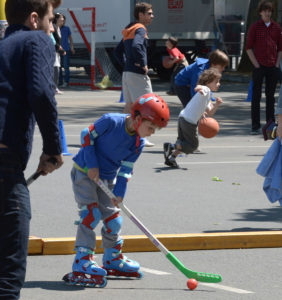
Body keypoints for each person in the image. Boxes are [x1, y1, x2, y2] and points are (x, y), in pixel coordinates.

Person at [62, 93, 169, 287]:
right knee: (91, 215)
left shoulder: (138, 144)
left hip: (107, 180)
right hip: (84, 173)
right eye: (150, 127)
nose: (152, 132)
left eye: (155, 129)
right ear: (137, 118)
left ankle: (112, 258)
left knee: (114, 219)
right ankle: (82, 260)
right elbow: (86, 135)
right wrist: (92, 164)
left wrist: (119, 193)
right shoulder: (111, 121)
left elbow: (126, 171)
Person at [0, 0, 64, 299]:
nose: (53, 29)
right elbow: (41, 92)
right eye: (51, 21)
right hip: (4, 164)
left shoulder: (4, 48)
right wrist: (52, 148)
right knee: (8, 276)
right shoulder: (36, 38)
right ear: (35, 18)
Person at [163, 68, 222, 168]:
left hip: (183, 117)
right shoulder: (206, 90)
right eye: (216, 82)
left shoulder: (207, 96)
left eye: (219, 81)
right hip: (189, 122)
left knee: (183, 142)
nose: (218, 84)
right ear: (208, 82)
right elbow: (201, 87)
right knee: (193, 146)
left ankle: (171, 158)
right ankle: (171, 146)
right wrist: (199, 88)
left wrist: (217, 105)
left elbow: (210, 113)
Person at [114, 2, 155, 146]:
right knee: (147, 105)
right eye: (149, 13)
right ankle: (141, 136)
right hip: (137, 74)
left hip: (128, 73)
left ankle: (121, 134)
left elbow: (117, 52)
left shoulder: (129, 29)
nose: (152, 16)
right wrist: (142, 63)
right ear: (141, 15)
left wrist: (126, 65)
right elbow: (137, 46)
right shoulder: (140, 29)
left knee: (130, 106)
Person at [246, 0, 282, 135]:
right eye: (265, 10)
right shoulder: (255, 27)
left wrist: (277, 64)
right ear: (260, 12)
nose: (267, 13)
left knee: (270, 96)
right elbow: (248, 48)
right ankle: (255, 125)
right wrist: (256, 64)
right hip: (259, 65)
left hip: (273, 65)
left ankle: (270, 124)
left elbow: (280, 49)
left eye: (269, 11)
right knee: (256, 96)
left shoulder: (277, 27)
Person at [59, 14, 75, 87]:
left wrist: (72, 47)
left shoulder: (67, 28)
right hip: (58, 50)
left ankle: (66, 82)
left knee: (66, 66)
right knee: (59, 67)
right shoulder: (56, 28)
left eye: (63, 20)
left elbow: (70, 39)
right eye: (61, 20)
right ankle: (59, 82)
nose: (62, 21)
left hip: (66, 49)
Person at [52, 12, 65, 94]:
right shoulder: (53, 27)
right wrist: (59, 47)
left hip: (57, 52)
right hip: (53, 51)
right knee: (55, 69)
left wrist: (60, 48)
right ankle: (54, 88)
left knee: (57, 69)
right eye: (61, 17)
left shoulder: (59, 28)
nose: (63, 19)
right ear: (56, 19)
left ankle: (55, 87)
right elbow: (52, 39)